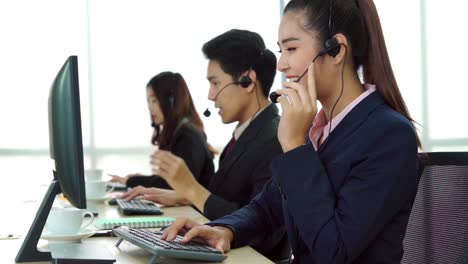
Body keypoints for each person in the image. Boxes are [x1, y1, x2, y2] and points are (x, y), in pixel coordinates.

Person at [160, 1, 420, 263]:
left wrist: (295, 145)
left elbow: (333, 252)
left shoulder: (388, 135)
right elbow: (267, 207)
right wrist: (224, 229)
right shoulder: (320, 129)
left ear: (336, 49)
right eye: (280, 50)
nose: (281, 64)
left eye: (292, 48)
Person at [123, 29, 289, 261]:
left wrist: (192, 189)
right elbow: (234, 202)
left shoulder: (275, 139)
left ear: (247, 81)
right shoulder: (246, 133)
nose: (211, 95)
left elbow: (263, 224)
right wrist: (183, 195)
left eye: (215, 83)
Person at [110, 71, 215, 205]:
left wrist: (130, 181)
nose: (150, 107)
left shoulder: (187, 136)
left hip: (197, 214)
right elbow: (170, 181)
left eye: (154, 100)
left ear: (171, 101)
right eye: (148, 101)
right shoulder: (181, 132)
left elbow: (173, 185)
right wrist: (140, 180)